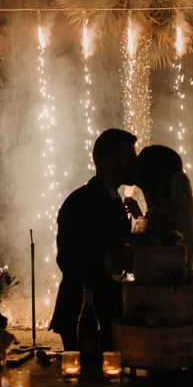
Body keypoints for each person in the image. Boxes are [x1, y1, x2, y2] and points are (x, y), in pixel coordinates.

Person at [49, 129, 137, 351]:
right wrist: (110, 260)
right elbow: (68, 260)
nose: (134, 163)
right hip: (84, 313)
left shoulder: (117, 201)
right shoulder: (79, 202)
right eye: (129, 157)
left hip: (108, 310)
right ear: (109, 159)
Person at [125, 145, 193, 343]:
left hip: (163, 312)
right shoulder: (171, 211)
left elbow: (153, 254)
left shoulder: (160, 215)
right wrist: (140, 216)